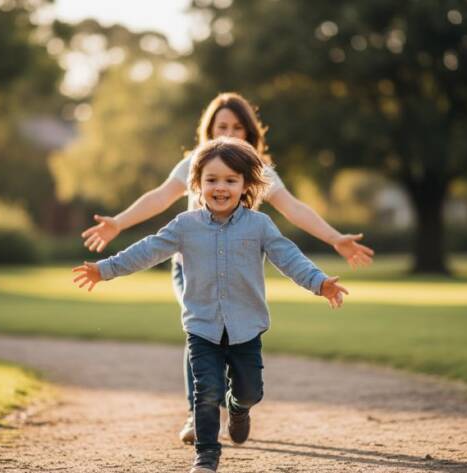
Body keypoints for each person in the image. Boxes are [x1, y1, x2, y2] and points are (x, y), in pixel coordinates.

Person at [80, 92, 373, 443]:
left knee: (234, 346)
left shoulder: (259, 169)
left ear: (250, 134)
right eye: (222, 126)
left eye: (238, 127)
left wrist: (334, 238)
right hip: (191, 267)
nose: (229, 133)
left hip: (239, 270)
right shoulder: (192, 164)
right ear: (208, 130)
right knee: (201, 331)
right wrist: (118, 223)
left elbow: (293, 208)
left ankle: (237, 404)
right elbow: (159, 197)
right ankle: (199, 414)